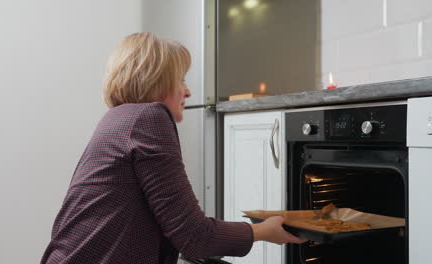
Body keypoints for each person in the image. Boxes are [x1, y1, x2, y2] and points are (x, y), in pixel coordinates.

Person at [41, 32, 306, 264]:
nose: (187, 91)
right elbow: (194, 237)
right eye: (180, 79)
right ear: (156, 79)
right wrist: (264, 231)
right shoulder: (148, 117)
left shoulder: (119, 117)